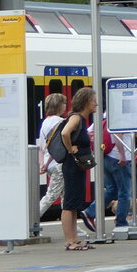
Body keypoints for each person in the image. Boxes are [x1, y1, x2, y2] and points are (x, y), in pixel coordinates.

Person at [59, 87, 97, 251]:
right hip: (72, 165)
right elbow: (65, 133)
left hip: (77, 166)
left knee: (74, 203)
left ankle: (75, 238)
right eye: (94, 100)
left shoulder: (81, 119)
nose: (96, 103)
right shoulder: (76, 118)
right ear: (87, 102)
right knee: (69, 203)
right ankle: (69, 241)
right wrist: (70, 149)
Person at [82, 114, 131, 231]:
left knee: (111, 189)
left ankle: (90, 212)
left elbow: (88, 131)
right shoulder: (119, 115)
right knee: (124, 192)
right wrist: (122, 155)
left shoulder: (103, 115)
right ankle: (121, 223)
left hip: (106, 156)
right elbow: (117, 134)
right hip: (117, 158)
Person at [36, 93, 68, 220]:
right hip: (57, 164)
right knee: (52, 195)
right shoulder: (61, 122)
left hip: (48, 164)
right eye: (64, 103)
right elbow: (58, 146)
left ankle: (73, 227)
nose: (66, 106)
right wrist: (49, 162)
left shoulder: (45, 122)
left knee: (65, 195)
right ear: (59, 106)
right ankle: (30, 220)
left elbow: (41, 147)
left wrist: (42, 164)